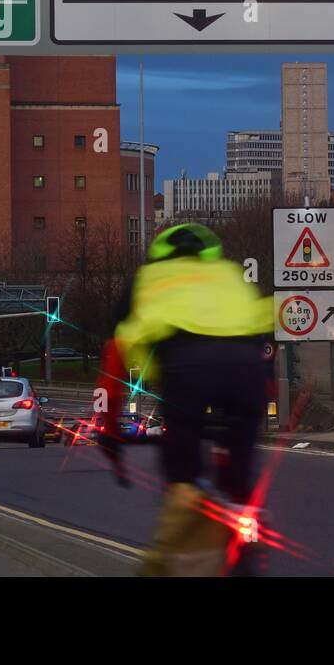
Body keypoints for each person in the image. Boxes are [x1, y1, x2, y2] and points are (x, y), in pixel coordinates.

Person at [96, 222, 273, 576]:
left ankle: (186, 537)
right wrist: (261, 407)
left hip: (187, 370)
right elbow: (264, 342)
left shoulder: (146, 279)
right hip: (248, 370)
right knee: (238, 479)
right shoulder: (230, 273)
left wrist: (110, 429)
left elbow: (115, 357)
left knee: (183, 476)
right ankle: (246, 525)